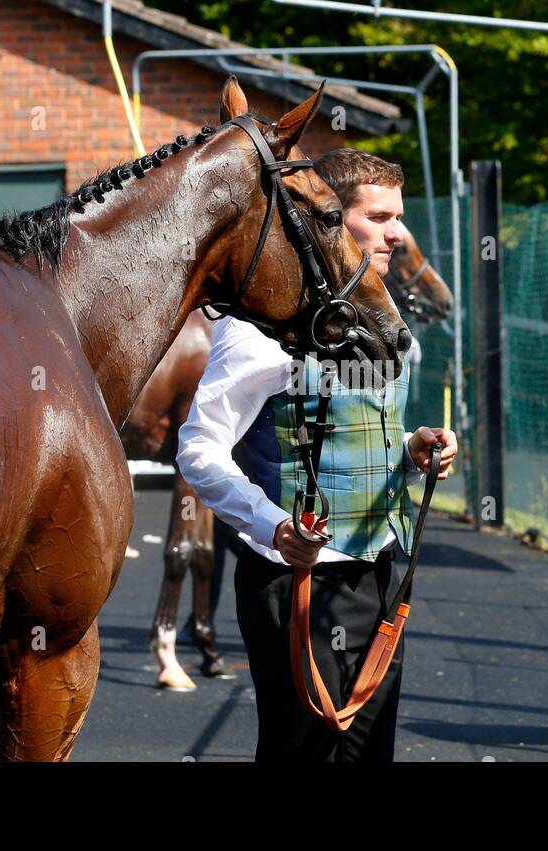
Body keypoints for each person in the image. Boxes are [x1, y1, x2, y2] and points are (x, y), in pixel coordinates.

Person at [176, 148, 457, 762]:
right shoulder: (255, 330)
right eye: (379, 217)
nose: (398, 233)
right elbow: (198, 448)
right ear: (332, 221)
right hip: (295, 578)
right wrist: (272, 526)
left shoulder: (380, 318)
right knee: (301, 756)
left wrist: (414, 451)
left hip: (382, 572)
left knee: (367, 756)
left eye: (398, 217)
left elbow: (369, 434)